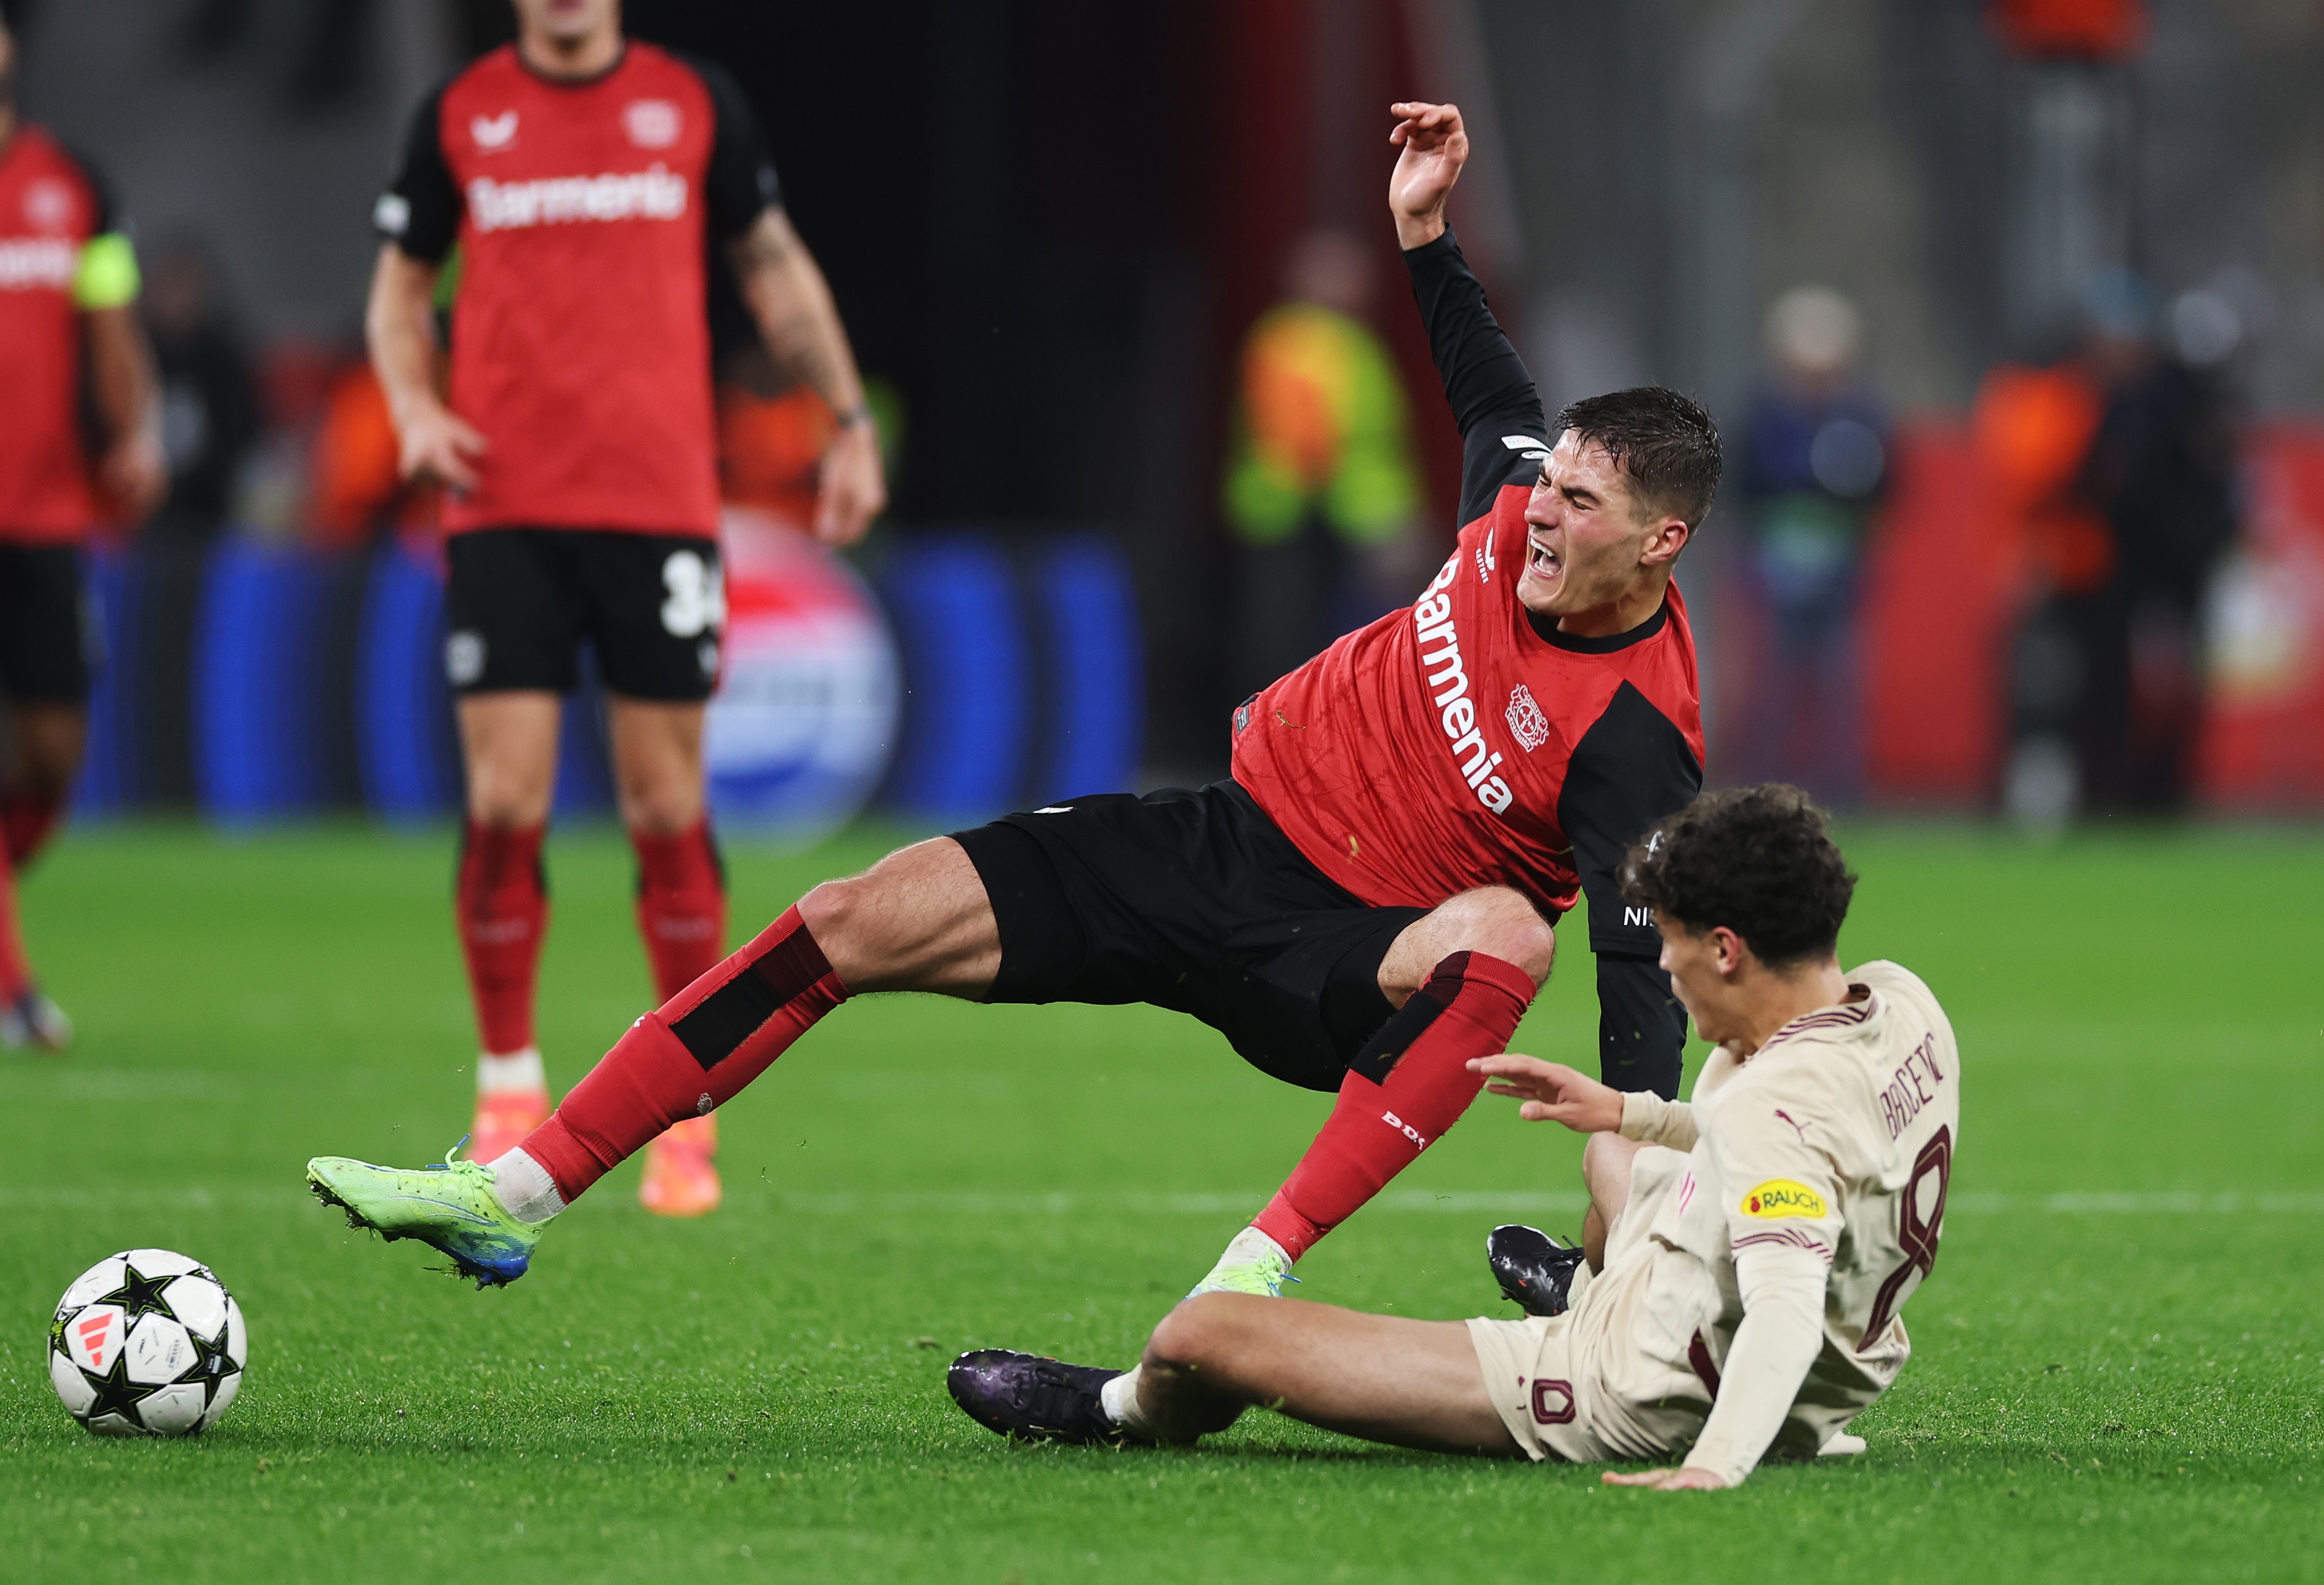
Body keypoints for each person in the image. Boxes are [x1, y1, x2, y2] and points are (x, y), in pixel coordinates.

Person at [305, 101, 1710, 1303]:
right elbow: (1485, 386)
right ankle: (517, 1195)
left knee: (1511, 932)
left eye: (1580, 507)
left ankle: (1252, 1274)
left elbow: (1639, 997)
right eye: (1552, 484)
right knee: (852, 917)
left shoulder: (1638, 738)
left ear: (1660, 545)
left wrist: (1621, 1214)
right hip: (1215, 843)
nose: (1541, 517)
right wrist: (1424, 232)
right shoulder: (1513, 495)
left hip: (1345, 960)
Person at [947, 785, 1961, 1491]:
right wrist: (1631, 1114)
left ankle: (1118, 1408)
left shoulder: (1768, 1106)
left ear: (1728, 949)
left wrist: (1717, 1462)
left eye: (1671, 939)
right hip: (1823, 1351)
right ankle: (1595, 1279)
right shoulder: (1897, 1004)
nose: (1660, 963)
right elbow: (1813, 1156)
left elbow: (1781, 1300)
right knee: (1609, 1155)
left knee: (1206, 1331)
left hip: (1643, 1386)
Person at [363, 0, 885, 1215]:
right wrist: (410, 406)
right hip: (503, 507)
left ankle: (681, 1104)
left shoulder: (694, 103)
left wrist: (848, 422)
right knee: (504, 798)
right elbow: (397, 288)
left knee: (663, 804)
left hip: (656, 506)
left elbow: (774, 266)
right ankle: (506, 1080)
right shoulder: (460, 115)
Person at [0, 14, 166, 1050]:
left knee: (55, 754)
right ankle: (15, 990)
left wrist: (138, 430)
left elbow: (110, 327)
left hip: (48, 513)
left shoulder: (74, 185)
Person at [1224, 227, 1427, 700]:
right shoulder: (1291, 343)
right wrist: (1384, 523)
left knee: (1338, 641)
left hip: (1340, 518)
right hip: (1295, 516)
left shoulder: (1349, 342)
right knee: (1287, 638)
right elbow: (1304, 442)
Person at [1728, 287, 1890, 806]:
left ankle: (1842, 793)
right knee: (1771, 689)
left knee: (1839, 687)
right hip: (1775, 573)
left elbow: (1887, 487)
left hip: (1841, 575)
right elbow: (1742, 488)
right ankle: (1765, 787)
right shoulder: (1763, 417)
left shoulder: (1861, 415)